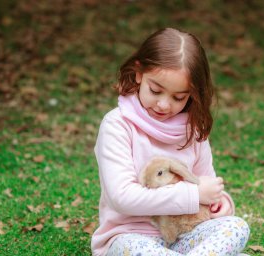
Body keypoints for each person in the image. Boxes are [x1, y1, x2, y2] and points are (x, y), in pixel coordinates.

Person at [91, 27, 250, 256]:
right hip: (129, 238)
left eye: (178, 97)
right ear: (138, 73)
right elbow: (122, 198)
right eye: (155, 90)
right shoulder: (118, 125)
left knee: (236, 227)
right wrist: (193, 196)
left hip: (185, 237)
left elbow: (206, 184)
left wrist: (219, 202)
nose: (164, 105)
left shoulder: (192, 132)